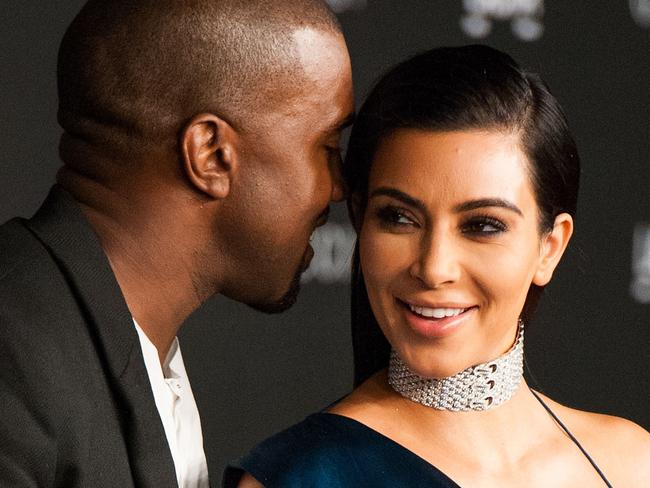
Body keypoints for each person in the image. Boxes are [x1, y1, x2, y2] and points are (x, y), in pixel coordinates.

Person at [227, 45, 650, 488]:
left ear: (549, 247)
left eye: (482, 225)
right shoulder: (300, 476)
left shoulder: (628, 463)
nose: (434, 268)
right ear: (359, 218)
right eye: (399, 218)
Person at [0, 0, 353, 486]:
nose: (338, 188)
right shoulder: (16, 353)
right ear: (211, 154)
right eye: (328, 148)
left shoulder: (102, 336)